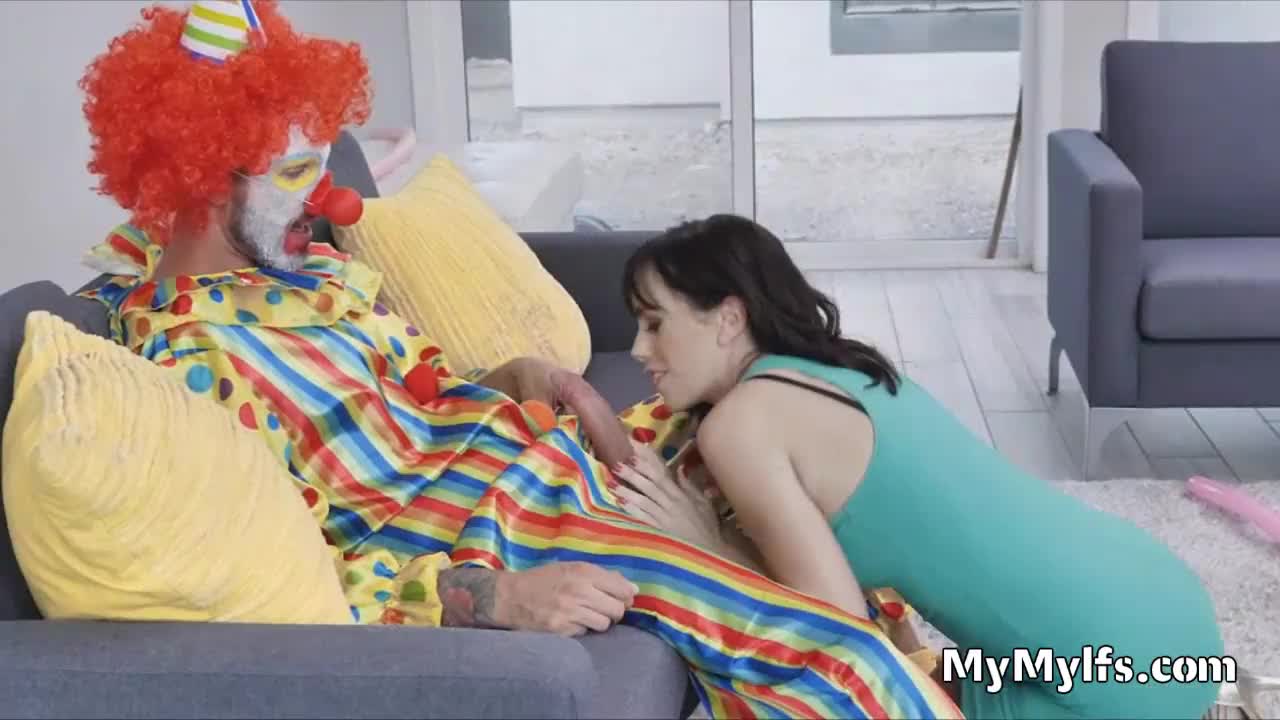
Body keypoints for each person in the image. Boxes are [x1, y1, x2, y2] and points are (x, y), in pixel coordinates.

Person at [71, 3, 961, 717]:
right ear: (200, 173)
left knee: (798, 473)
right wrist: (496, 598)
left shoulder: (305, 274)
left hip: (544, 454)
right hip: (517, 528)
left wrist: (520, 381)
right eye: (299, 172)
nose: (333, 199)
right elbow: (297, 571)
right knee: (832, 663)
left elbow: (409, 407)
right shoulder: (184, 361)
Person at [613, 213, 1227, 720]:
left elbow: (835, 629)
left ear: (729, 318)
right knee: (935, 672)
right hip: (1174, 616)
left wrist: (705, 542)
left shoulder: (739, 426)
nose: (640, 349)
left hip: (1117, 683)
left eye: (654, 324)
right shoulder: (844, 367)